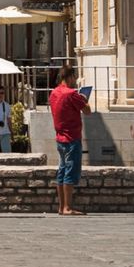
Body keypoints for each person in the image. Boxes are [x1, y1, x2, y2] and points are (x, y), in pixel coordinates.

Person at [50, 63, 91, 216]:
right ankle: (67, 207)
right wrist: (84, 98)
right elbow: (87, 111)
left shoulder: (54, 93)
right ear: (70, 76)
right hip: (72, 138)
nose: (75, 80)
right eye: (74, 76)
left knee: (61, 171)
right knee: (70, 172)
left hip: (60, 137)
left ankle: (61, 207)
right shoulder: (71, 94)